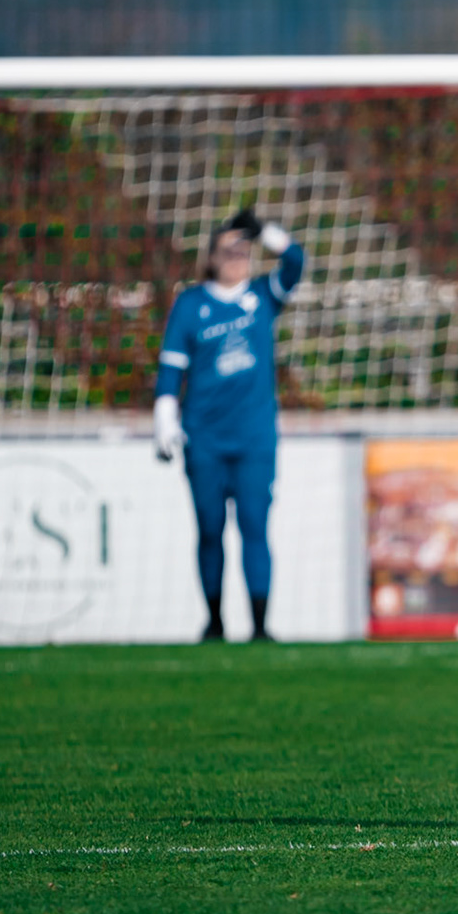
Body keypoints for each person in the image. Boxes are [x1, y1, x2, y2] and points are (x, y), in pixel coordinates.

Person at [153, 207, 304, 643]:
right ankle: (215, 623)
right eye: (228, 250)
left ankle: (260, 627)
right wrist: (165, 419)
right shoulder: (191, 305)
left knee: (255, 525)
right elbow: (170, 369)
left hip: (255, 438)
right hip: (206, 439)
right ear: (212, 258)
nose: (237, 256)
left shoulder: (263, 297)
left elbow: (295, 261)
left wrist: (267, 232)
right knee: (209, 528)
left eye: (244, 248)